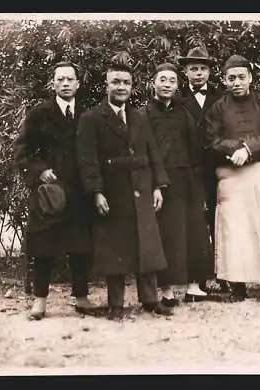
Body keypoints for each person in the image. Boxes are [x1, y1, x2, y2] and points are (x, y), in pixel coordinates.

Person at [76, 62, 173, 320]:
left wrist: (158, 186)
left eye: (126, 83)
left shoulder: (139, 116)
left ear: (132, 86)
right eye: (116, 82)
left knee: (147, 245)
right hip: (113, 191)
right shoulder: (91, 118)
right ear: (106, 85)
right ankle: (116, 304)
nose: (121, 87)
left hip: (142, 187)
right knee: (114, 247)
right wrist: (96, 192)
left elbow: (152, 152)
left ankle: (150, 300)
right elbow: (87, 160)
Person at [204, 54, 260, 306]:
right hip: (231, 174)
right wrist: (233, 149)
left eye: (242, 77)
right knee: (235, 229)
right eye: (231, 78)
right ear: (224, 80)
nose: (237, 82)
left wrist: (248, 149)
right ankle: (238, 286)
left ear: (250, 78)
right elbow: (210, 139)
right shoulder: (218, 107)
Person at [14, 61, 96, 320]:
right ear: (53, 84)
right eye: (60, 79)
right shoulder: (39, 114)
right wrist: (40, 171)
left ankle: (81, 297)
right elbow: (22, 151)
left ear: (78, 83)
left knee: (81, 245)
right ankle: (40, 301)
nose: (65, 84)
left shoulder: (88, 115)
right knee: (44, 246)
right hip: (48, 192)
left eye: (70, 79)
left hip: (79, 190)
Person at [140, 62, 215, 306]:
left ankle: (194, 286)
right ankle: (166, 289)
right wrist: (154, 185)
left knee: (194, 231)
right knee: (167, 234)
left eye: (172, 81)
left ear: (177, 85)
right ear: (154, 83)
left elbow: (195, 148)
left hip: (187, 179)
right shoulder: (144, 114)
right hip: (161, 182)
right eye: (163, 80)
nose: (167, 85)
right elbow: (145, 152)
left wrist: (198, 185)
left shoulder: (184, 112)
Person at [177, 46, 229, 293]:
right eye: (193, 69)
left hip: (219, 167)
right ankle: (197, 279)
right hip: (190, 169)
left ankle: (224, 275)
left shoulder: (222, 98)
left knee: (220, 222)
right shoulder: (176, 100)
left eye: (203, 68)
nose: (198, 74)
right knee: (196, 223)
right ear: (186, 71)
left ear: (210, 71)